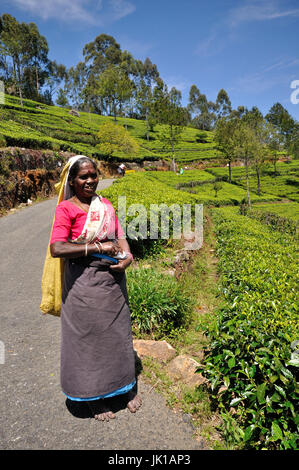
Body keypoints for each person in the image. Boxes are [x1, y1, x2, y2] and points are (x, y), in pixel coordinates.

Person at [49, 155, 142, 421]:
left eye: (93, 175)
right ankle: (94, 398)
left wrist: (128, 257)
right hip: (83, 283)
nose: (90, 181)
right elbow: (57, 248)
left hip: (112, 281)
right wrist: (97, 247)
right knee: (89, 340)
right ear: (72, 180)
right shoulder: (66, 209)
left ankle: (123, 388)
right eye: (83, 177)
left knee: (117, 336)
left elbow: (120, 236)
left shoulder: (106, 205)